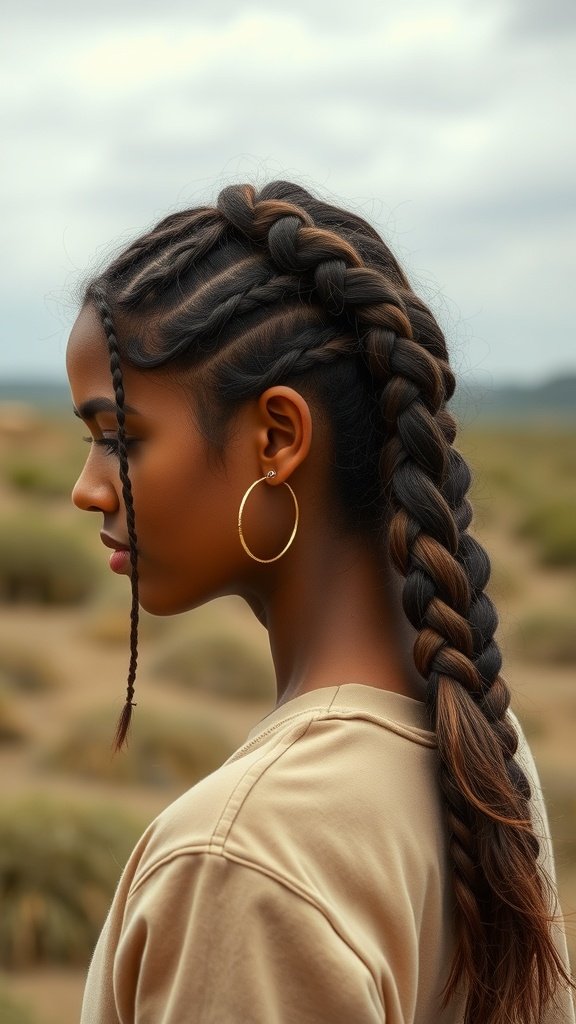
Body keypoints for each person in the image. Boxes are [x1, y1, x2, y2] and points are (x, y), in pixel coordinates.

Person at [66, 181, 574, 1024]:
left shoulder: (240, 861)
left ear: (277, 438)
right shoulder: (478, 739)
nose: (88, 490)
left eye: (120, 437)